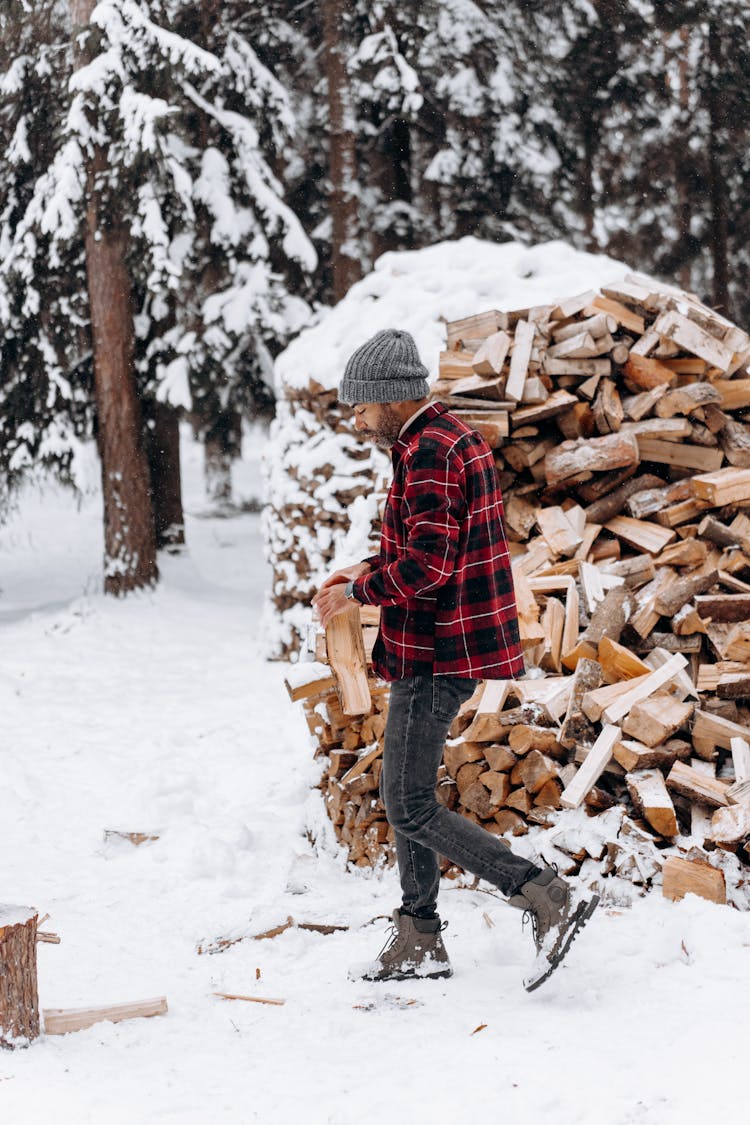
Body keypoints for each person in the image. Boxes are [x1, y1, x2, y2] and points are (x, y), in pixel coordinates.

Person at [312, 328, 597, 991]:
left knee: (408, 802)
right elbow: (424, 542)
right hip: (431, 644)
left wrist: (359, 590)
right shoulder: (431, 440)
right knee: (405, 791)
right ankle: (419, 933)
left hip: (441, 648)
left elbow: (429, 565)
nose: (355, 421)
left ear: (389, 398)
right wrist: (363, 566)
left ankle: (540, 892)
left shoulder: (432, 450)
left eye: (359, 407)